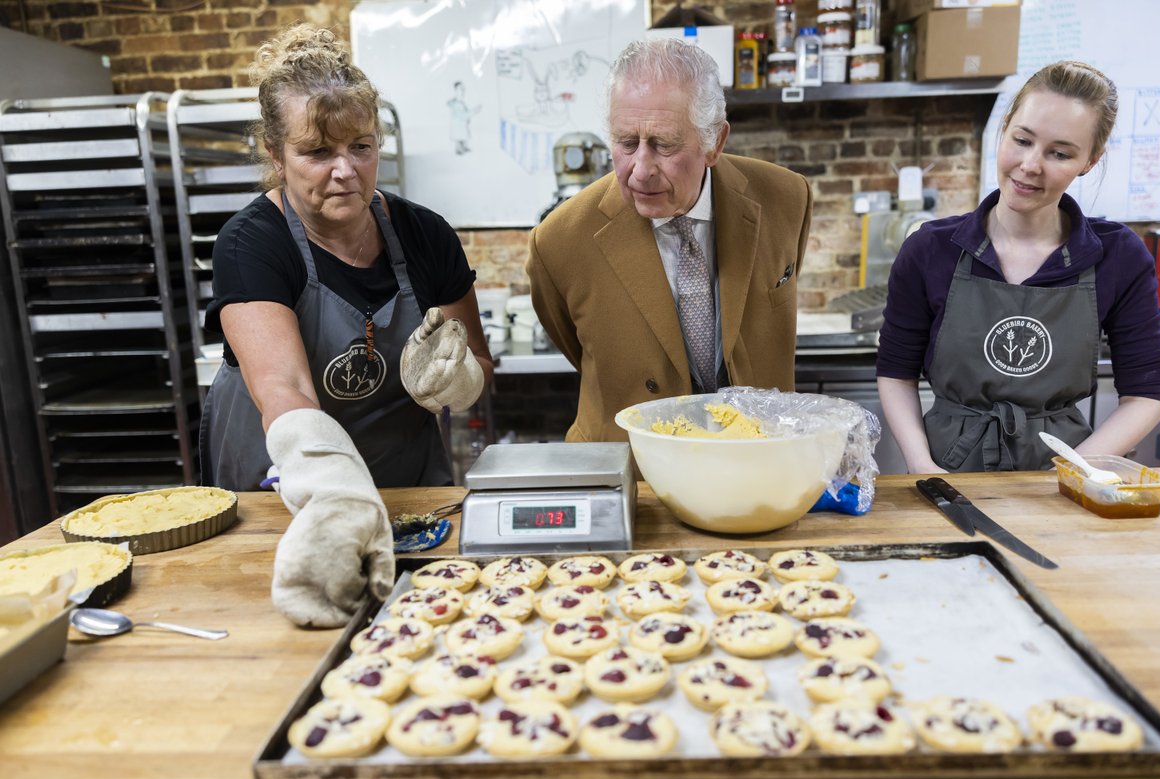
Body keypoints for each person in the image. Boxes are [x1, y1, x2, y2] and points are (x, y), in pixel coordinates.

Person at [199, 24, 493, 626]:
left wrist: (461, 381)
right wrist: (333, 501)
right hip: (291, 495)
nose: (345, 171)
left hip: (407, 494)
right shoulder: (251, 244)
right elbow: (285, 389)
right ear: (275, 154)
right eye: (316, 152)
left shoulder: (424, 235)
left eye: (361, 146)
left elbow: (479, 363)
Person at [876, 60, 1160, 473]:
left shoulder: (1119, 256)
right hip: (946, 475)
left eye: (1060, 153)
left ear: (1089, 160)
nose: (1031, 165)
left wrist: (1072, 471)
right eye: (1022, 140)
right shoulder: (930, 249)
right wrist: (923, 466)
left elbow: (1147, 394)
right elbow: (896, 373)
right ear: (1005, 128)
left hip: (1063, 477)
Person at [526, 38, 813, 443]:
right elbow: (575, 345)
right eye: (626, 143)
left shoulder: (787, 198)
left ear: (715, 141)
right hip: (630, 470)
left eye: (663, 145)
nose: (640, 170)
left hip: (758, 460)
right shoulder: (559, 241)